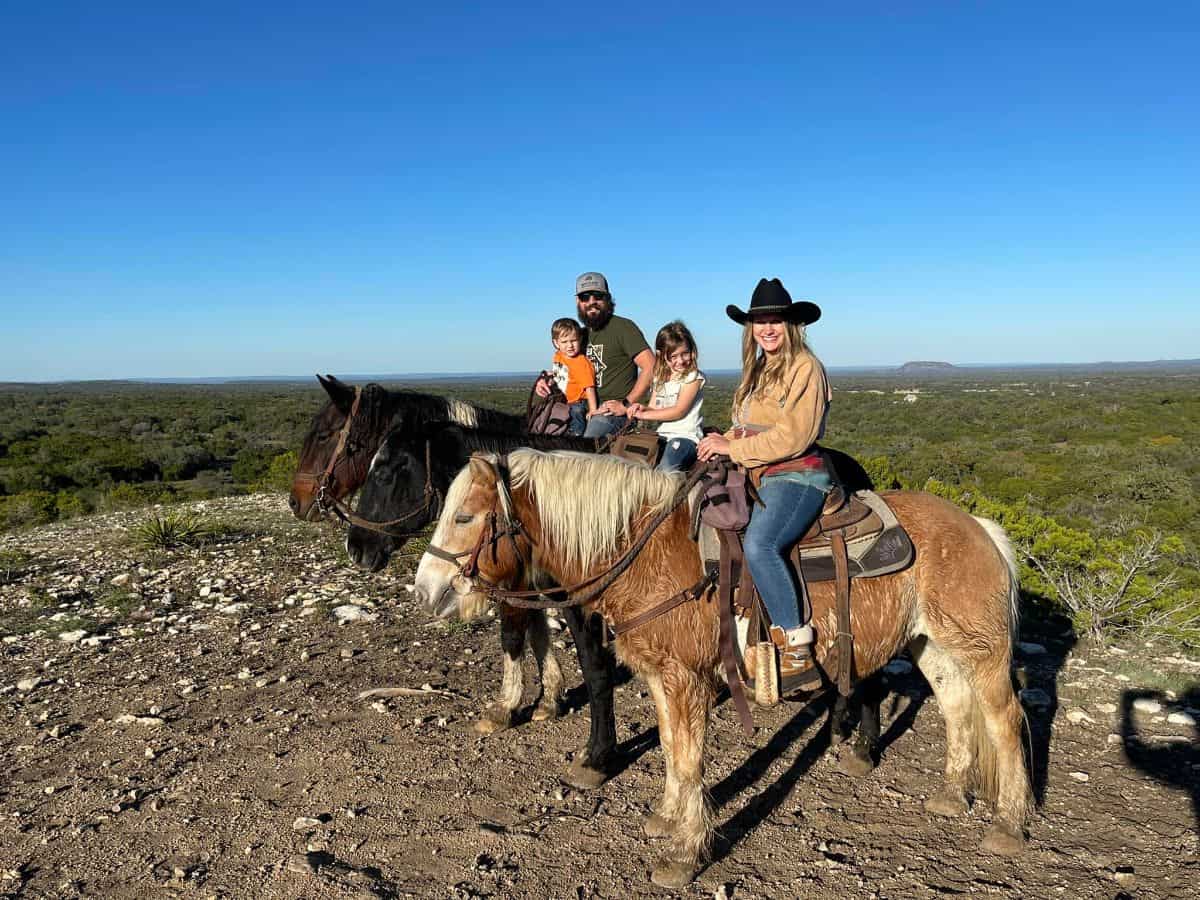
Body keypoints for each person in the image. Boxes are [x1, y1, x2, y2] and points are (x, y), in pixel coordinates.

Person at [697, 278, 832, 694]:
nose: (767, 328)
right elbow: (750, 426)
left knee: (760, 544)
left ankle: (796, 644)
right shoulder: (757, 368)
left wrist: (734, 449)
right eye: (760, 322)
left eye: (775, 321)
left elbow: (793, 437)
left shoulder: (805, 367)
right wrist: (723, 441)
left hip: (796, 474)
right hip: (758, 472)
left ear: (791, 324)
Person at [537, 272, 655, 440]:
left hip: (612, 413)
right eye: (585, 297)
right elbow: (567, 369)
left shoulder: (623, 328)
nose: (591, 301)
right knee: (540, 432)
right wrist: (546, 381)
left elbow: (651, 366)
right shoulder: (579, 336)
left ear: (608, 298)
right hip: (581, 407)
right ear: (578, 301)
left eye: (597, 296)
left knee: (585, 445)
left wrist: (625, 404)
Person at [628, 321, 705, 472]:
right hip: (661, 436)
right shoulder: (660, 378)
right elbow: (653, 407)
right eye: (673, 356)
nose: (681, 361)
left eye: (685, 353)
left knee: (666, 469)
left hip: (685, 437)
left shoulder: (693, 377)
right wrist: (641, 408)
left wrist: (643, 416)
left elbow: (679, 411)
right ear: (661, 355)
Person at [547, 318, 598, 435]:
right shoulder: (558, 356)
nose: (570, 345)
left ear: (580, 340)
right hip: (566, 399)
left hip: (580, 401)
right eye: (564, 342)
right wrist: (551, 377)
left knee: (576, 412)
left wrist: (593, 410)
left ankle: (576, 437)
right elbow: (560, 372)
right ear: (556, 343)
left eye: (573, 341)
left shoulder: (581, 363)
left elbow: (589, 388)